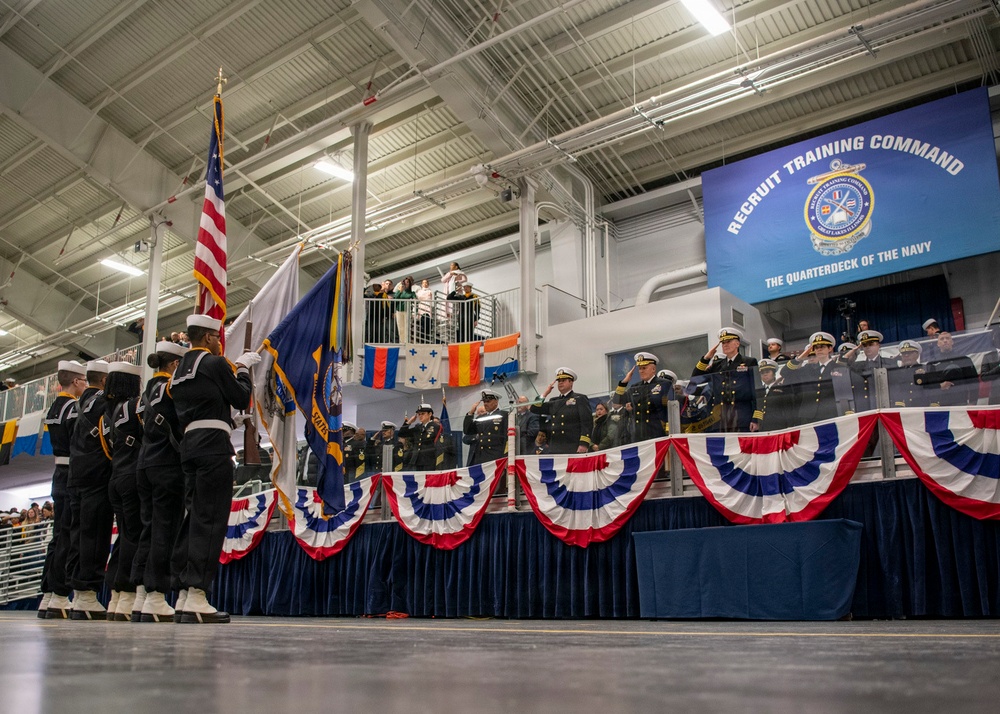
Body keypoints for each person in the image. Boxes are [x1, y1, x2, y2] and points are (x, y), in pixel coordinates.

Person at [169, 314, 255, 624]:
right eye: (217, 337)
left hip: (190, 446)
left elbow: (192, 411)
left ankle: (183, 593)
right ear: (207, 338)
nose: (220, 342)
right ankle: (197, 593)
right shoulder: (215, 363)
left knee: (193, 518)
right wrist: (242, 369)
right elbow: (240, 396)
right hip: (213, 448)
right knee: (211, 518)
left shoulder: (178, 373)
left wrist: (227, 422)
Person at [135, 340, 187, 622]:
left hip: (145, 463)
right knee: (166, 530)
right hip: (167, 463)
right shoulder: (170, 387)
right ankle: (156, 595)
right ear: (175, 364)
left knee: (149, 529)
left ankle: (142, 594)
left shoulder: (146, 392)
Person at [37, 360, 86, 619]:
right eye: (84, 381)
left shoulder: (55, 406)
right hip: (71, 472)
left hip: (58, 472)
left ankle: (48, 593)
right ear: (76, 381)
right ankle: (59, 593)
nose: (85, 385)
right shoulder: (73, 407)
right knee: (68, 534)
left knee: (58, 536)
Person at [66, 359, 112, 620]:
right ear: (105, 381)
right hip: (96, 475)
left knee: (78, 534)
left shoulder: (78, 403)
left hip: (75, 475)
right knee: (95, 534)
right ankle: (87, 593)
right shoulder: (104, 401)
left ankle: (78, 593)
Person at [104, 361, 144, 621]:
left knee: (124, 536)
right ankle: (127, 592)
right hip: (132, 475)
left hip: (115, 476)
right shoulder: (133, 407)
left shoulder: (106, 414)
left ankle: (116, 595)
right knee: (133, 536)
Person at [692, 328, 759, 432]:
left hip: (742, 416)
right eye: (723, 343)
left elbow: (756, 391)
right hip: (721, 418)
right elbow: (696, 378)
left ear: (737, 344)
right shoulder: (717, 365)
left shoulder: (749, 362)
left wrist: (755, 418)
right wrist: (706, 358)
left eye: (728, 342)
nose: (725, 345)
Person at [782, 332, 852, 424]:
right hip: (807, 416)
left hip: (830, 414)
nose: (819, 350)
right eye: (816, 347)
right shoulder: (808, 369)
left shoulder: (839, 368)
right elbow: (785, 373)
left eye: (822, 347)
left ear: (830, 348)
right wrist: (800, 358)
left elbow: (845, 392)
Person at [529, 368, 593, 454]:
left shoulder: (579, 398)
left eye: (563, 380)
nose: (560, 383)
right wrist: (545, 393)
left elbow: (587, 423)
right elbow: (534, 408)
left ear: (571, 382)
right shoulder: (554, 401)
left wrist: (584, 444)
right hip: (555, 446)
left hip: (572, 445)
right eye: (559, 381)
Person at [614, 352, 673, 442]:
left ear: (653, 369)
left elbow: (670, 409)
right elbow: (617, 400)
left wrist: (668, 431)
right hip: (639, 435)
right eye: (640, 368)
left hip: (657, 433)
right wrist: (624, 382)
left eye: (644, 368)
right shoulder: (635, 387)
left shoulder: (664, 384)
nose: (641, 371)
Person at [918, 331, 979, 407]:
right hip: (939, 404)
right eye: (942, 339)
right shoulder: (932, 363)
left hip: (960, 403)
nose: (945, 341)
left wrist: (973, 402)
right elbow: (928, 386)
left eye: (947, 338)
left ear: (952, 342)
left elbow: (974, 382)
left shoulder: (963, 360)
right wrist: (940, 386)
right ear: (938, 344)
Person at [463, 389, 508, 465]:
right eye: (484, 402)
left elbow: (507, 438)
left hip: (496, 456)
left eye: (488, 401)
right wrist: (470, 413)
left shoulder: (504, 415)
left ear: (496, 402)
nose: (485, 404)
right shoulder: (481, 418)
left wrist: (506, 456)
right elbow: (467, 431)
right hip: (481, 456)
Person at [848, 330, 888, 412]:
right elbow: (842, 365)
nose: (868, 347)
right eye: (865, 345)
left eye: (871, 344)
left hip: (885, 406)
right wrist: (854, 350)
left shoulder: (888, 363)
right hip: (865, 408)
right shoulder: (857, 366)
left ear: (878, 345)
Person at [753, 359, 794, 432]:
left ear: (774, 373)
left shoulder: (782, 388)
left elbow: (788, 409)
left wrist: (790, 426)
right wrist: (756, 421)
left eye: (767, 372)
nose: (765, 375)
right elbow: (759, 409)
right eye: (762, 373)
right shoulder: (760, 390)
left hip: (779, 427)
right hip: (763, 427)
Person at [399, 404, 444, 471]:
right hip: (416, 460)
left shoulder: (435, 427)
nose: (420, 416)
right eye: (419, 414)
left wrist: (438, 465)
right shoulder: (418, 428)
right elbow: (401, 433)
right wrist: (409, 422)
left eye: (423, 413)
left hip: (429, 461)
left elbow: (439, 446)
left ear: (430, 414)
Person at [888, 340, 928, 408]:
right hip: (902, 408)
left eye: (909, 353)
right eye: (904, 354)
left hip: (920, 407)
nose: (906, 356)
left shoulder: (925, 369)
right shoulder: (897, 372)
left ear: (917, 355)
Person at [393, 276, 417, 344]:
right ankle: (402, 341)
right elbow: (395, 298)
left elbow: (415, 301)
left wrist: (415, 312)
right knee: (400, 326)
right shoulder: (399, 291)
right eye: (405, 282)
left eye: (407, 282)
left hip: (407, 311)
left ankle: (407, 341)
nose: (406, 284)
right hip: (399, 310)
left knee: (407, 327)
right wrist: (400, 291)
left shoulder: (412, 293)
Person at [414, 278, 435, 343]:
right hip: (421, 307)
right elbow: (418, 298)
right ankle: (422, 339)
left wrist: (422, 298)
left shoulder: (430, 291)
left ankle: (427, 339)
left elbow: (431, 299)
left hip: (428, 307)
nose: (425, 284)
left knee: (428, 323)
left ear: (428, 284)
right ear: (421, 284)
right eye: (423, 283)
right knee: (421, 323)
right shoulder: (419, 291)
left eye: (426, 282)